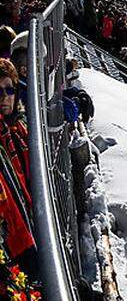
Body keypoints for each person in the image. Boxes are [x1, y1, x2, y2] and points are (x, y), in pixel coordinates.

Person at [0, 60, 34, 268]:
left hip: (30, 223)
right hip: (15, 246)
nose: (4, 96)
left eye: (9, 89)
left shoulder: (18, 129)